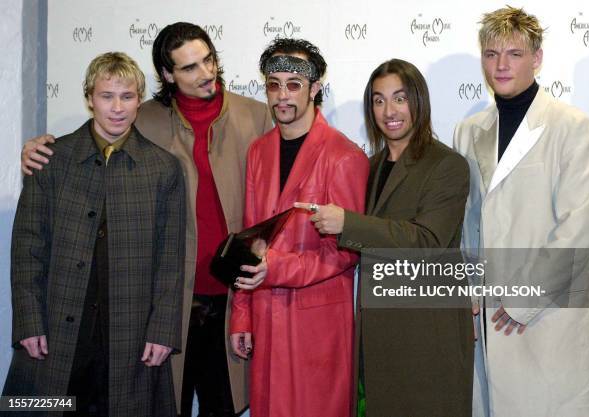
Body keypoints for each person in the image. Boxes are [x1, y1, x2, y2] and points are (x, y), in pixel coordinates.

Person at [20, 22, 273, 417]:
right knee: (156, 403)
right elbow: (95, 139)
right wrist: (41, 149)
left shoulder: (257, 118)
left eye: (208, 60)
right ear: (168, 75)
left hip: (231, 295)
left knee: (223, 404)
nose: (205, 73)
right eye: (190, 67)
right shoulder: (144, 118)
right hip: (164, 303)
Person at [2, 52, 185, 417]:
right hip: (55, 331)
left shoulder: (163, 168)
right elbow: (27, 248)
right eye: (106, 96)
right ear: (89, 98)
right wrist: (28, 321)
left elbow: (171, 260)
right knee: (48, 408)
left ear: (139, 100)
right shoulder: (50, 160)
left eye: (127, 96)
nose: (117, 108)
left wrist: (163, 329)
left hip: (131, 338)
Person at [296, 59, 473, 417]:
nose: (389, 111)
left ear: (418, 102)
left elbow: (427, 241)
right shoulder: (368, 166)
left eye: (399, 98)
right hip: (377, 338)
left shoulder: (447, 165)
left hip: (427, 334)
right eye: (378, 100)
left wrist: (349, 223)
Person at [453, 6, 589, 417]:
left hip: (546, 319)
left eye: (514, 54)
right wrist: (467, 294)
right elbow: (467, 227)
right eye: (491, 53)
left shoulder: (574, 128)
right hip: (487, 322)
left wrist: (522, 301)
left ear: (536, 58)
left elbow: (580, 229)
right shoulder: (468, 131)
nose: (500, 65)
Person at [228, 38, 369, 417]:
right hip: (266, 317)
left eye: (293, 84)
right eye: (274, 84)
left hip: (318, 326)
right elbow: (250, 238)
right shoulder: (259, 151)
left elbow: (346, 252)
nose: (282, 96)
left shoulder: (344, 156)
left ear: (315, 89)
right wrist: (242, 313)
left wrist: (275, 267)